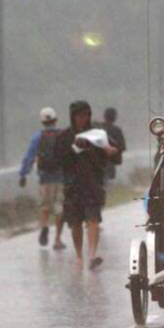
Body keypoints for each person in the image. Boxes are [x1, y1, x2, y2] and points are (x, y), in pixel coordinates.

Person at [55, 101, 118, 269]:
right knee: (75, 223)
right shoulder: (64, 136)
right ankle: (78, 255)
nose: (83, 119)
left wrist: (110, 151)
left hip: (93, 183)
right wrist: (74, 148)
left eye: (86, 115)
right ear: (73, 117)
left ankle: (92, 254)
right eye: (79, 116)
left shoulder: (98, 133)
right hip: (72, 186)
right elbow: (59, 159)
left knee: (93, 219)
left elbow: (114, 153)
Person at [18, 107, 65, 249]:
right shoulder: (63, 135)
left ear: (42, 122)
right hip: (60, 177)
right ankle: (57, 240)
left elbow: (29, 157)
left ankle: (44, 226)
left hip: (44, 177)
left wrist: (23, 174)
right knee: (59, 209)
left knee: (45, 206)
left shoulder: (37, 137)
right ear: (55, 120)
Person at [99, 107, 126, 183]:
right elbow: (122, 146)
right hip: (110, 162)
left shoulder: (98, 128)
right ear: (115, 117)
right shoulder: (116, 130)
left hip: (98, 162)